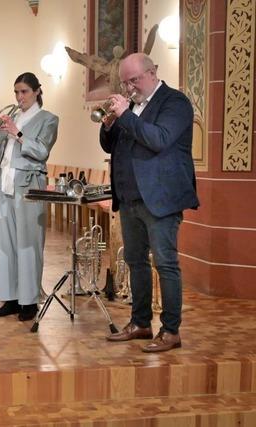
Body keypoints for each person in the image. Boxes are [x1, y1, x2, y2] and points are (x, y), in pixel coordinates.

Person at [101, 53, 199, 352]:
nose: (130, 87)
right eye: (125, 82)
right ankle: (141, 323)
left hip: (161, 198)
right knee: (135, 262)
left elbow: (159, 139)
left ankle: (171, 331)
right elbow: (110, 144)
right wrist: (108, 123)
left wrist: (126, 115)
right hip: (130, 197)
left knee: (166, 264)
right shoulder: (131, 106)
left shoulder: (175, 102)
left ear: (153, 72)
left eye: (135, 80)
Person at [0, 72, 59, 322]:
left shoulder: (48, 119)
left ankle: (29, 302)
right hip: (4, 184)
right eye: (16, 92)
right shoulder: (13, 116)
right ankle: (11, 298)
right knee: (5, 244)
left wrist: (17, 133)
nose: (19, 97)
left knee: (28, 244)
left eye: (24, 91)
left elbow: (40, 151)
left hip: (29, 186)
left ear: (37, 91)